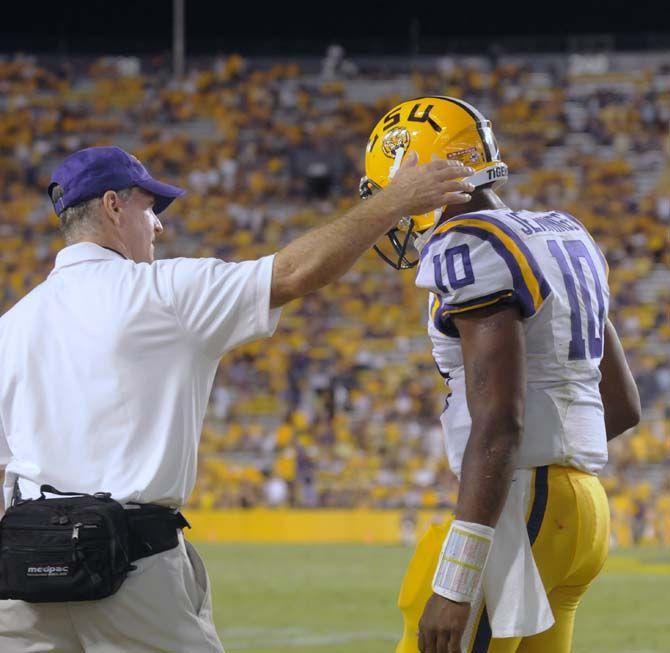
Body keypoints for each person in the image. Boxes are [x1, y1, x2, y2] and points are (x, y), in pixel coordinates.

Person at [0, 145, 474, 653]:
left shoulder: (12, 326)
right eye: (149, 209)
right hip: (133, 573)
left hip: (24, 577)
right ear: (113, 205)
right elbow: (294, 273)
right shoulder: (162, 293)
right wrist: (396, 202)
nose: (158, 226)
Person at [360, 97, 641, 653]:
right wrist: (552, 458)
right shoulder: (565, 232)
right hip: (585, 511)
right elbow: (623, 404)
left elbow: (499, 423)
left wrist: (460, 574)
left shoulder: (466, 245)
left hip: (521, 505)